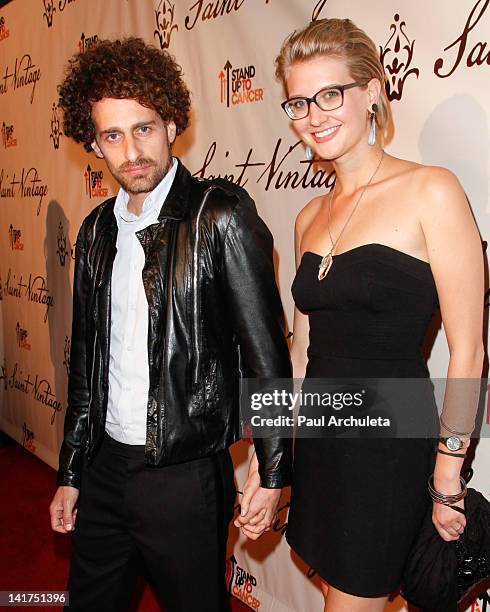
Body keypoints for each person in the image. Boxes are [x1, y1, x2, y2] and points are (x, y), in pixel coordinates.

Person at [48, 37, 292, 612]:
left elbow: (267, 357)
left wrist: (275, 468)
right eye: (112, 134)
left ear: (171, 121)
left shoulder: (220, 217)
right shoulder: (95, 233)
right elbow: (86, 365)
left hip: (185, 477)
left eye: (144, 128)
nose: (131, 150)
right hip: (106, 469)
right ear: (94, 143)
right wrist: (71, 471)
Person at [274, 18, 484, 612]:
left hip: (389, 446)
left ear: (371, 92)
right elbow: (301, 352)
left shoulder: (431, 191)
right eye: (299, 101)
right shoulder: (308, 217)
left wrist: (448, 472)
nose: (314, 115)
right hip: (321, 442)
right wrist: (273, 457)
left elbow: (468, 351)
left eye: (330, 94)